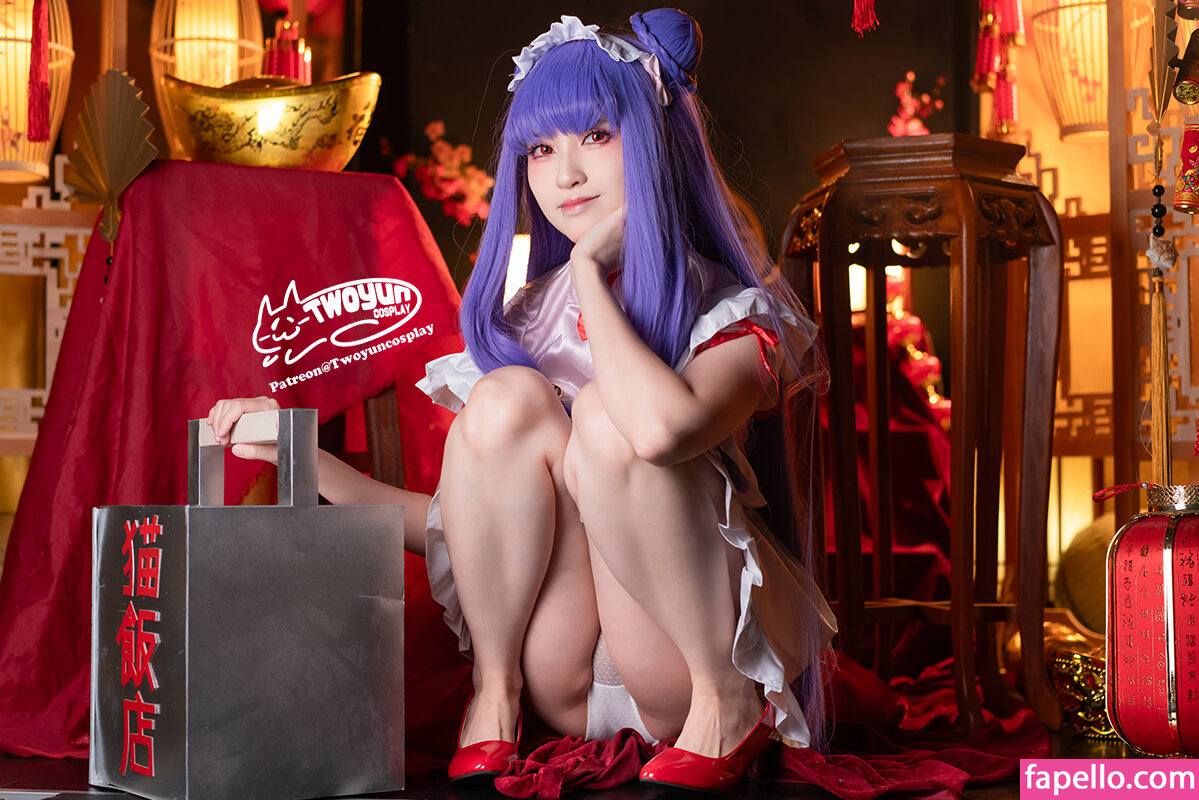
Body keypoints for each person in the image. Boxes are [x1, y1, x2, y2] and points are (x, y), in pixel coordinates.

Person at [207, 8, 835, 793]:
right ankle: (493, 692)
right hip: (562, 685)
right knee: (504, 398)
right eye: (540, 148)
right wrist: (304, 455)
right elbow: (464, 526)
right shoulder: (527, 320)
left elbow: (659, 432)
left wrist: (589, 279)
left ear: (656, 141)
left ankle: (726, 700)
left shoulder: (730, 312)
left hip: (678, 669)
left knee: (609, 416)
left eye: (595, 136)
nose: (563, 174)